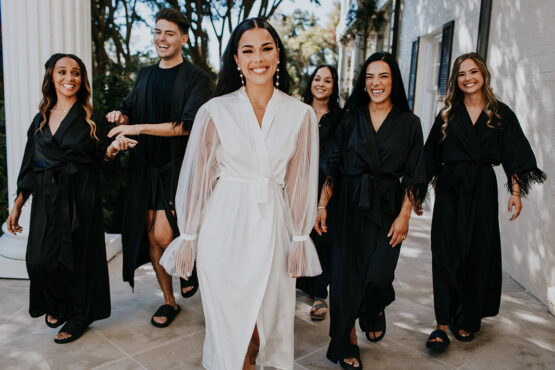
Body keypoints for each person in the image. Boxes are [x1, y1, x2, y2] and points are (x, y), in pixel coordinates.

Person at [160, 17, 321, 370]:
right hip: (224, 226)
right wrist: (188, 235)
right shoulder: (214, 111)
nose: (257, 58)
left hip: (273, 228)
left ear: (278, 54)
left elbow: (301, 183)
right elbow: (197, 178)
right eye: (247, 50)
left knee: (265, 327)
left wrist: (298, 236)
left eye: (266, 48)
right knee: (232, 330)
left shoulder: (302, 115)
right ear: (236, 58)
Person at [422, 52, 546, 351]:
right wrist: (416, 193)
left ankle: (467, 318)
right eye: (462, 73)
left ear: (484, 75)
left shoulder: (500, 113)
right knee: (446, 252)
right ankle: (441, 324)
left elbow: (513, 154)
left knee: (477, 253)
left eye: (473, 72)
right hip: (450, 190)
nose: (468, 78)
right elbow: (429, 158)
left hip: (482, 190)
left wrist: (516, 193)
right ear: (456, 79)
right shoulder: (447, 115)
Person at [5, 53, 130, 343]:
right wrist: (18, 204)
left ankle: (79, 315)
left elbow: (103, 162)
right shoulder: (40, 119)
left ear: (82, 79)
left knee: (79, 258)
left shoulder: (92, 118)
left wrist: (113, 150)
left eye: (75, 73)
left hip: (81, 194)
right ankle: (57, 302)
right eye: (62, 72)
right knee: (39, 260)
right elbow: (30, 163)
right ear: (51, 76)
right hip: (47, 196)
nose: (69, 78)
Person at [315, 52, 427, 369]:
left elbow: (416, 173)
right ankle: (348, 342)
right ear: (364, 82)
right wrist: (322, 205)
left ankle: (374, 307)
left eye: (383, 76)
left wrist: (405, 215)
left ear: (394, 81)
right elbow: (333, 168)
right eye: (370, 77)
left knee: (378, 276)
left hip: (388, 206)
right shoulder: (350, 119)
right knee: (344, 280)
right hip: (347, 206)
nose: (376, 83)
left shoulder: (409, 123)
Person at [105, 8, 210, 328]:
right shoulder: (145, 74)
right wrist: (119, 118)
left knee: (165, 233)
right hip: (144, 166)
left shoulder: (197, 77)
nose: (160, 39)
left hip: (178, 166)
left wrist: (135, 128)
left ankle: (189, 271)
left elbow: (187, 127)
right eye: (157, 32)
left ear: (183, 38)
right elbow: (128, 109)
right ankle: (169, 300)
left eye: (168, 33)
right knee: (149, 234)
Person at [296, 64, 342, 321]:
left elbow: (337, 159)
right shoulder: (297, 112)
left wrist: (323, 199)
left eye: (327, 80)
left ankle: (319, 293)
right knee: (296, 234)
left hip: (327, 185)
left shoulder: (340, 117)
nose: (321, 83)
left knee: (323, 236)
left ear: (334, 86)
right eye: (317, 78)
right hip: (295, 183)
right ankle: (300, 282)